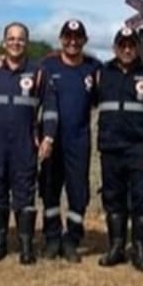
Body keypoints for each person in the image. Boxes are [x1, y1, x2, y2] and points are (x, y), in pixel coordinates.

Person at [94, 28, 143, 272]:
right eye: (122, 45)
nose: (127, 50)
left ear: (138, 47)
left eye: (131, 45)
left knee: (142, 200)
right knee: (113, 198)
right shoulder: (102, 73)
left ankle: (140, 250)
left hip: (140, 147)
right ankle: (116, 247)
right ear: (115, 47)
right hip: (111, 147)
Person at [38, 19, 101, 263]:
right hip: (51, 139)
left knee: (78, 192)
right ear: (61, 39)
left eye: (77, 37)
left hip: (79, 140)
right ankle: (53, 237)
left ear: (85, 40)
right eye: (68, 37)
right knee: (50, 190)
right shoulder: (46, 65)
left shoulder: (93, 68)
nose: (72, 42)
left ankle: (72, 238)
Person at [0, 22, 42, 265]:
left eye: (20, 39)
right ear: (3, 42)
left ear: (26, 43)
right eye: (11, 38)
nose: (15, 43)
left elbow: (49, 107)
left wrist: (47, 136)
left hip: (24, 142)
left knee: (25, 192)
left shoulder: (37, 72)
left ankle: (26, 245)